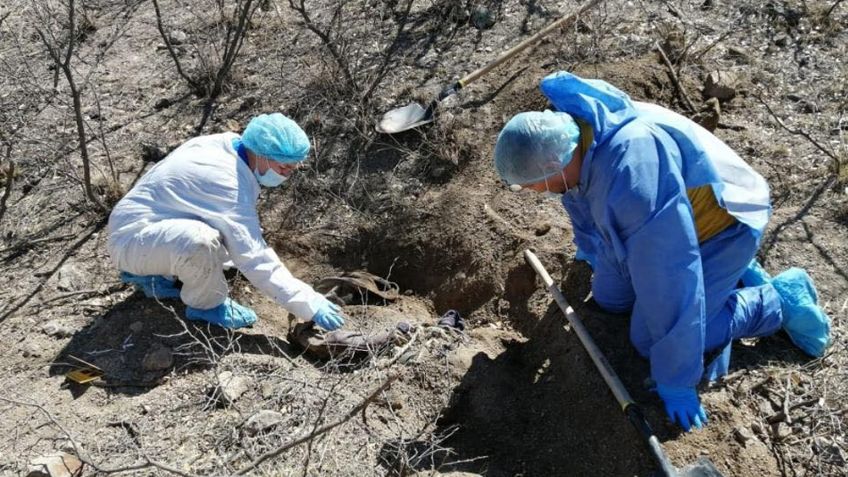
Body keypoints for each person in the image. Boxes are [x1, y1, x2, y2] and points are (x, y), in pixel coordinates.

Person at [493, 72, 832, 432]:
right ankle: (732, 277)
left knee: (649, 339)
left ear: (552, 166)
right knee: (609, 298)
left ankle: (775, 300)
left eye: (530, 185)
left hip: (721, 225)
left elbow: (670, 273)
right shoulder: (574, 137)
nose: (532, 192)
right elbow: (582, 201)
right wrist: (591, 249)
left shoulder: (633, 175)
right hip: (669, 221)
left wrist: (676, 377)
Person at [107, 113, 345, 331]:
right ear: (262, 155)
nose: (286, 175)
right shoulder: (227, 184)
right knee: (201, 242)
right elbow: (255, 259)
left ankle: (157, 272)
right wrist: (309, 303)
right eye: (283, 167)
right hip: (132, 240)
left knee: (224, 240)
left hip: (146, 224)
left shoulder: (228, 144)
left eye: (292, 168)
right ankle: (205, 305)